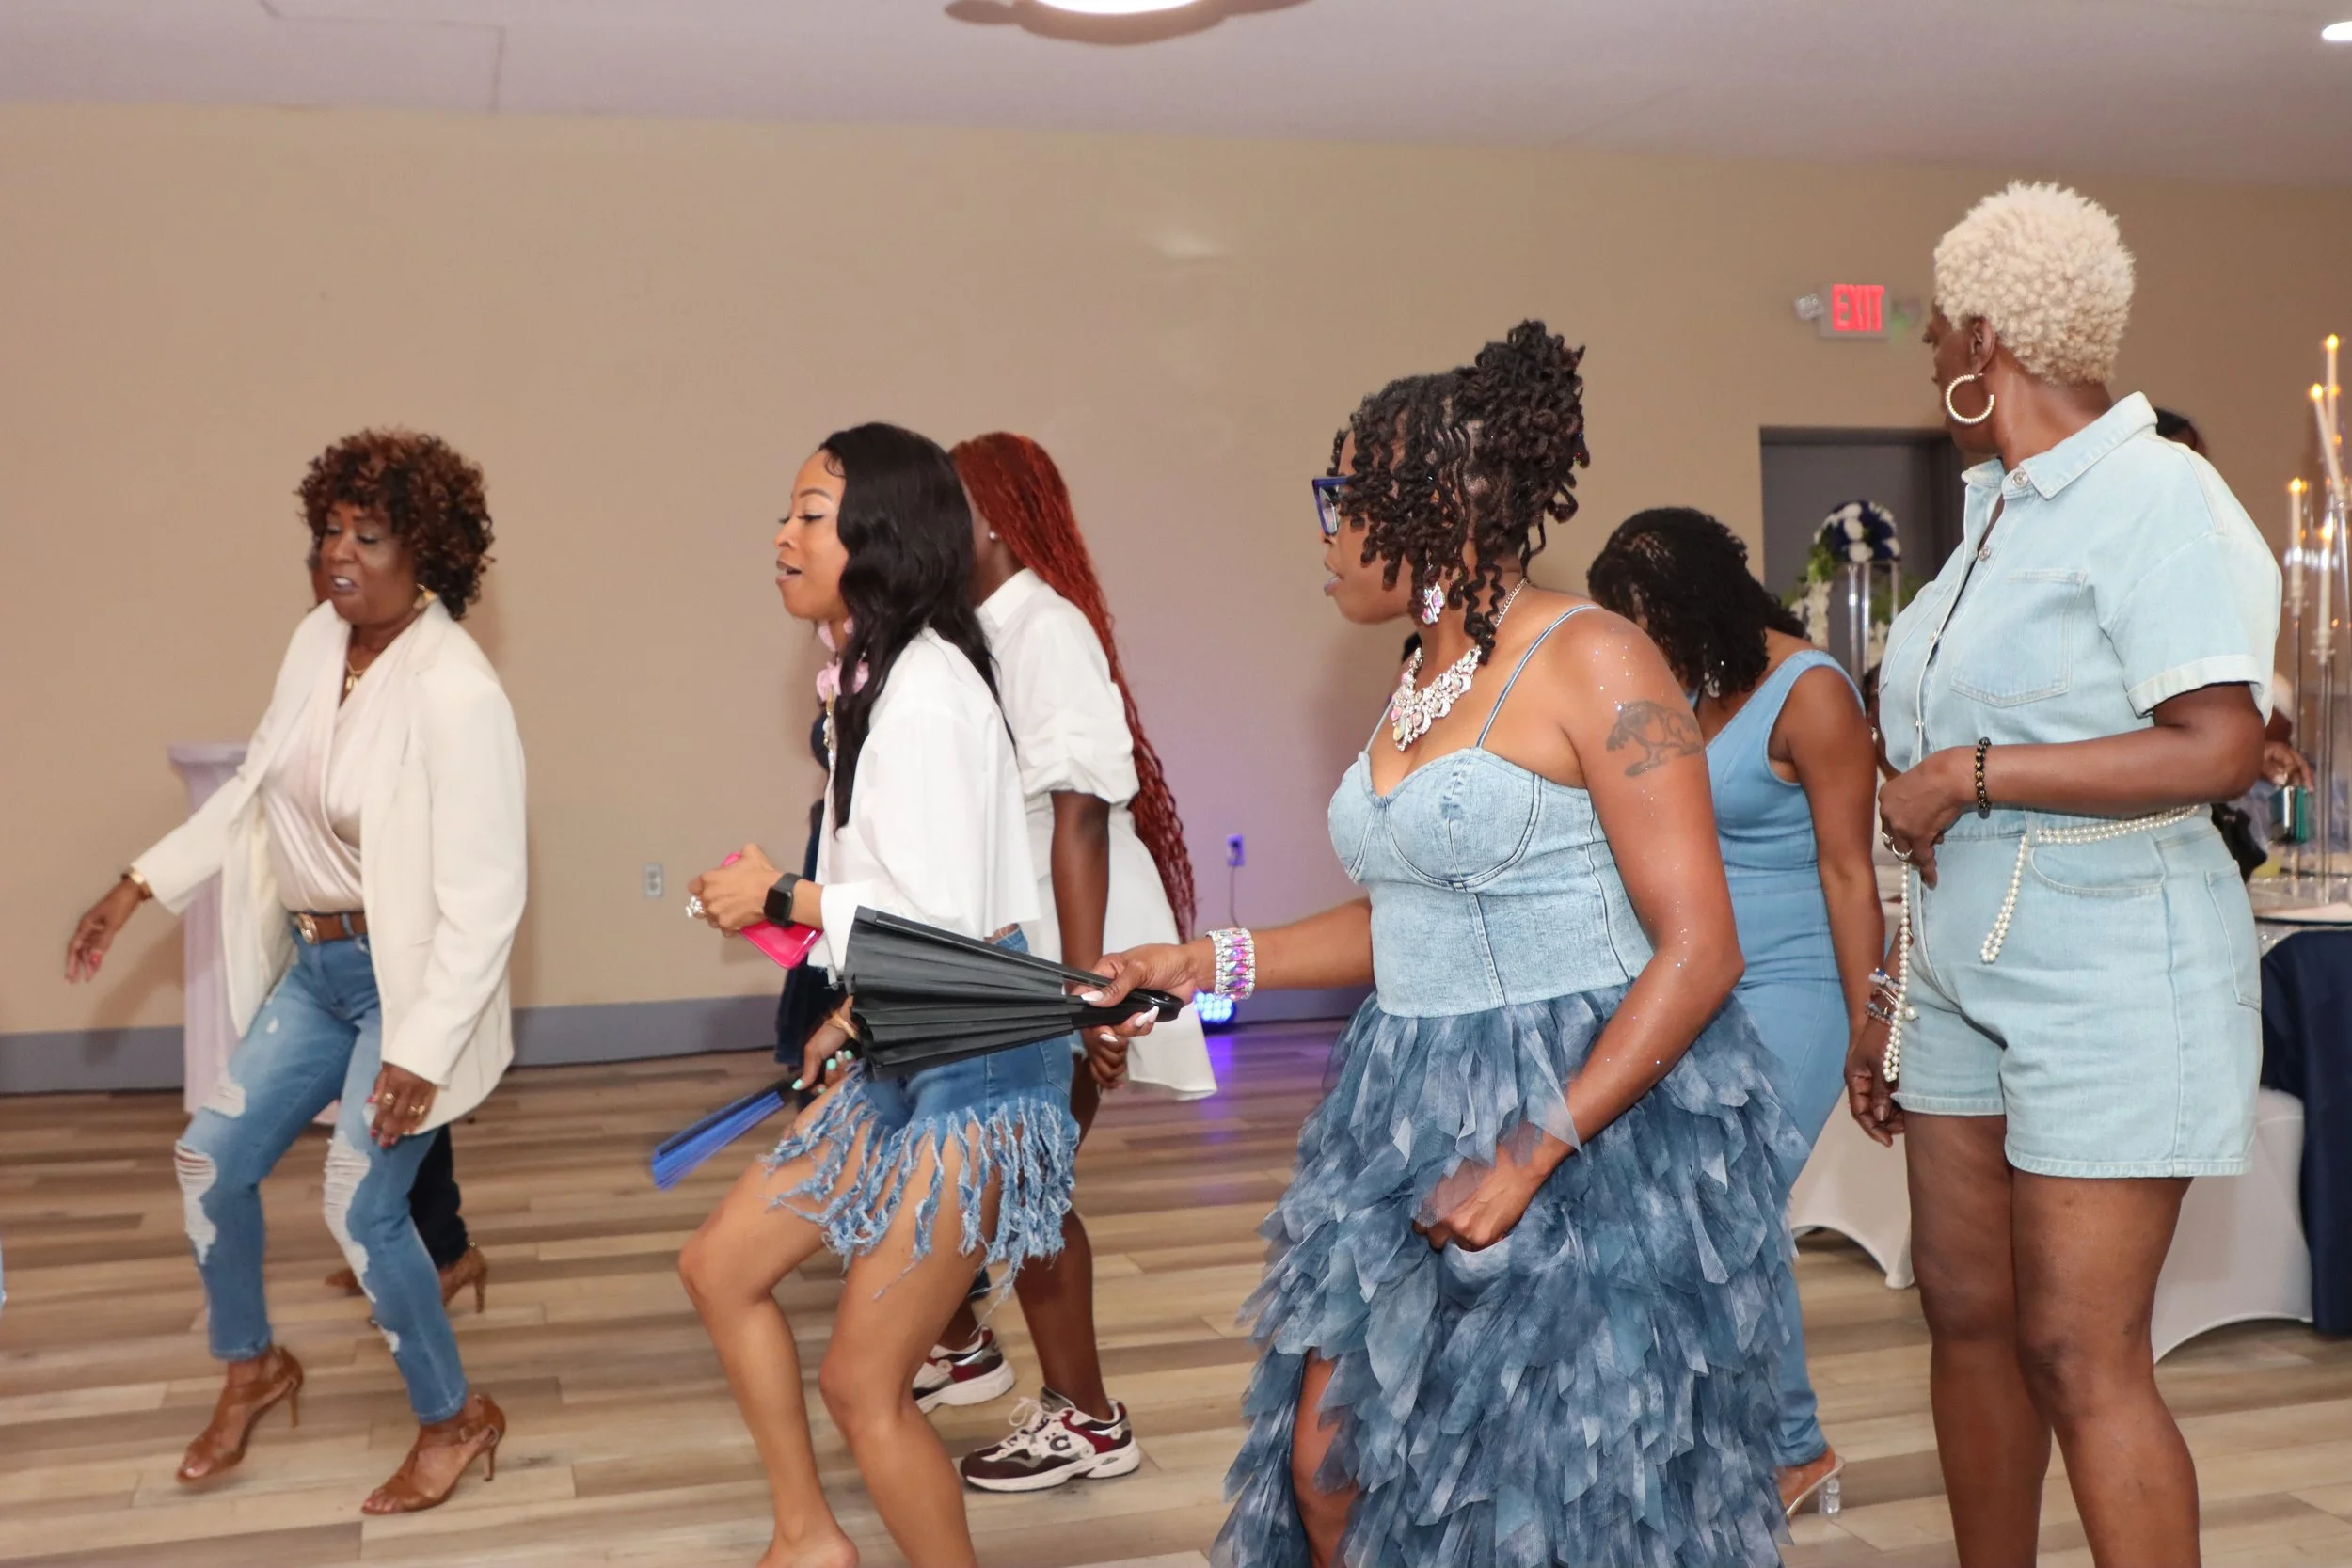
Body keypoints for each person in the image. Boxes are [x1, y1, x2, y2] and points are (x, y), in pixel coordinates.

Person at [1091, 323, 1804, 1566]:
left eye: (1344, 495)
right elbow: (1406, 919)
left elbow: (1700, 947)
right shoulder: (1419, 675)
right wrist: (1200, 961)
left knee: (1552, 1494)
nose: (1325, 531)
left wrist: (1535, 1149)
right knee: (1329, 1465)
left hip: (1583, 1113)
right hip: (1406, 1103)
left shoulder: (1595, 656)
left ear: (1440, 505)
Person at [1852, 182, 2280, 1567]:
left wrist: (1973, 771)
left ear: (1985, 337)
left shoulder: (2154, 492)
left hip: (2112, 952)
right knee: (1968, 1315)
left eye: (1937, 326)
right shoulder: (1994, 518)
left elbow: (2219, 744)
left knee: (2078, 1347)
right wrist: (1892, 985)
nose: (1929, 351)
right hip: (1959, 957)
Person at [62, 429, 523, 1513]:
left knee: (360, 1201)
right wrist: (138, 882)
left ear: (428, 552)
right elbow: (253, 787)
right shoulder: (319, 640)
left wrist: (420, 1050)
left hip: (403, 987)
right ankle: (253, 1364)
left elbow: (486, 900)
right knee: (208, 1162)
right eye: (329, 530)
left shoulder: (457, 691)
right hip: (316, 972)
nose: (338, 554)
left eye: (370, 535)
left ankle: (454, 1417)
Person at [675, 422, 1082, 1568]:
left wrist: (781, 892)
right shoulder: (876, 679)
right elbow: (923, 893)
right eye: (787, 511)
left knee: (862, 1385)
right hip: (910, 1043)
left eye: (811, 514)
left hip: (982, 1071)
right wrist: (850, 1015)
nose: (783, 535)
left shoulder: (929, 692)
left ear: (881, 536)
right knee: (719, 1267)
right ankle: (807, 1535)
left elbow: (941, 927)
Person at [913, 431, 1213, 1491]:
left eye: (949, 507)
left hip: (1075, 935)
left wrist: (1087, 993)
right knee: (985, 1163)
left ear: (994, 520)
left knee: (1022, 1177)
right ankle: (959, 1339)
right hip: (1030, 939)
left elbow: (1079, 816)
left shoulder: (1046, 628)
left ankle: (1087, 1418)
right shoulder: (981, 631)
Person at [1587, 506, 1883, 1518]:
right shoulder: (1677, 690)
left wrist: (1872, 1018)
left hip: (1797, 983)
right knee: (1688, 1203)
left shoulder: (1812, 691)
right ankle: (1728, 1436)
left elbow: (1850, 872)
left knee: (1734, 1199)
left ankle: (1794, 1445)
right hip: (1695, 979)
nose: (1642, 641)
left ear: (1700, 599)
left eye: (1650, 619)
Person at [291, 547, 488, 1314]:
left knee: (403, 1098)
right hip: (352, 939)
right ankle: (424, 1244)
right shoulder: (327, 658)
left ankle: (437, 1249)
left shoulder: (438, 675)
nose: (335, 569)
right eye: (324, 551)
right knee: (395, 1103)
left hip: (409, 927)